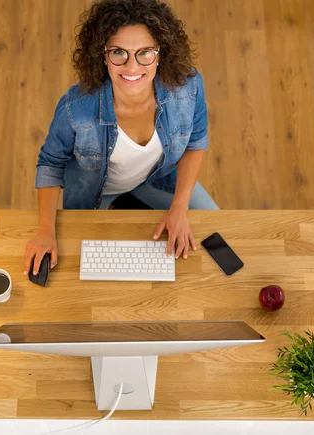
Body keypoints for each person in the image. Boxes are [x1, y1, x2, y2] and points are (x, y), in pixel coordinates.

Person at [24, 0, 219, 277]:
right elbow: (50, 164)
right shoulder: (76, 108)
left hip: (158, 177)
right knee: (77, 265)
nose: (131, 66)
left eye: (145, 53)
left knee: (217, 227)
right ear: (102, 55)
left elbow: (196, 141)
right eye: (118, 52)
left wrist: (179, 207)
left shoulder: (187, 87)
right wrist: (45, 231)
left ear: (160, 53)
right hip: (97, 191)